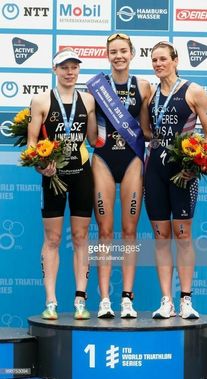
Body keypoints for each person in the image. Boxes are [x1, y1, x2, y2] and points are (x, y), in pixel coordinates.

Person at [144, 41, 207, 319]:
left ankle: (186, 300)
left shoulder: (193, 90)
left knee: (183, 236)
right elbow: (147, 132)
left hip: (182, 172)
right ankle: (166, 301)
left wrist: (197, 163)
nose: (158, 64)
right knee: (161, 237)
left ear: (175, 60)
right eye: (154, 60)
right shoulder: (150, 94)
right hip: (155, 170)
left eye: (163, 59)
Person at [27, 48, 97, 320]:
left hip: (81, 173)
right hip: (52, 176)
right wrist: (41, 164)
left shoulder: (89, 100)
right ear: (54, 70)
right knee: (53, 238)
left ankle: (80, 299)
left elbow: (92, 139)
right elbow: (32, 143)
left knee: (81, 237)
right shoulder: (41, 100)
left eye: (74, 67)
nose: (70, 72)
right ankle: (51, 301)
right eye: (64, 67)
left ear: (78, 70)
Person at [90, 33, 151, 318]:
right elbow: (91, 134)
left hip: (132, 161)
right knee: (104, 231)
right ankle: (104, 300)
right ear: (107, 54)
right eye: (113, 51)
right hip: (103, 158)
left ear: (132, 53)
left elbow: (147, 130)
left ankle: (127, 298)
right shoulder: (95, 88)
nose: (118, 56)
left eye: (123, 51)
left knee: (129, 231)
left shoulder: (144, 85)